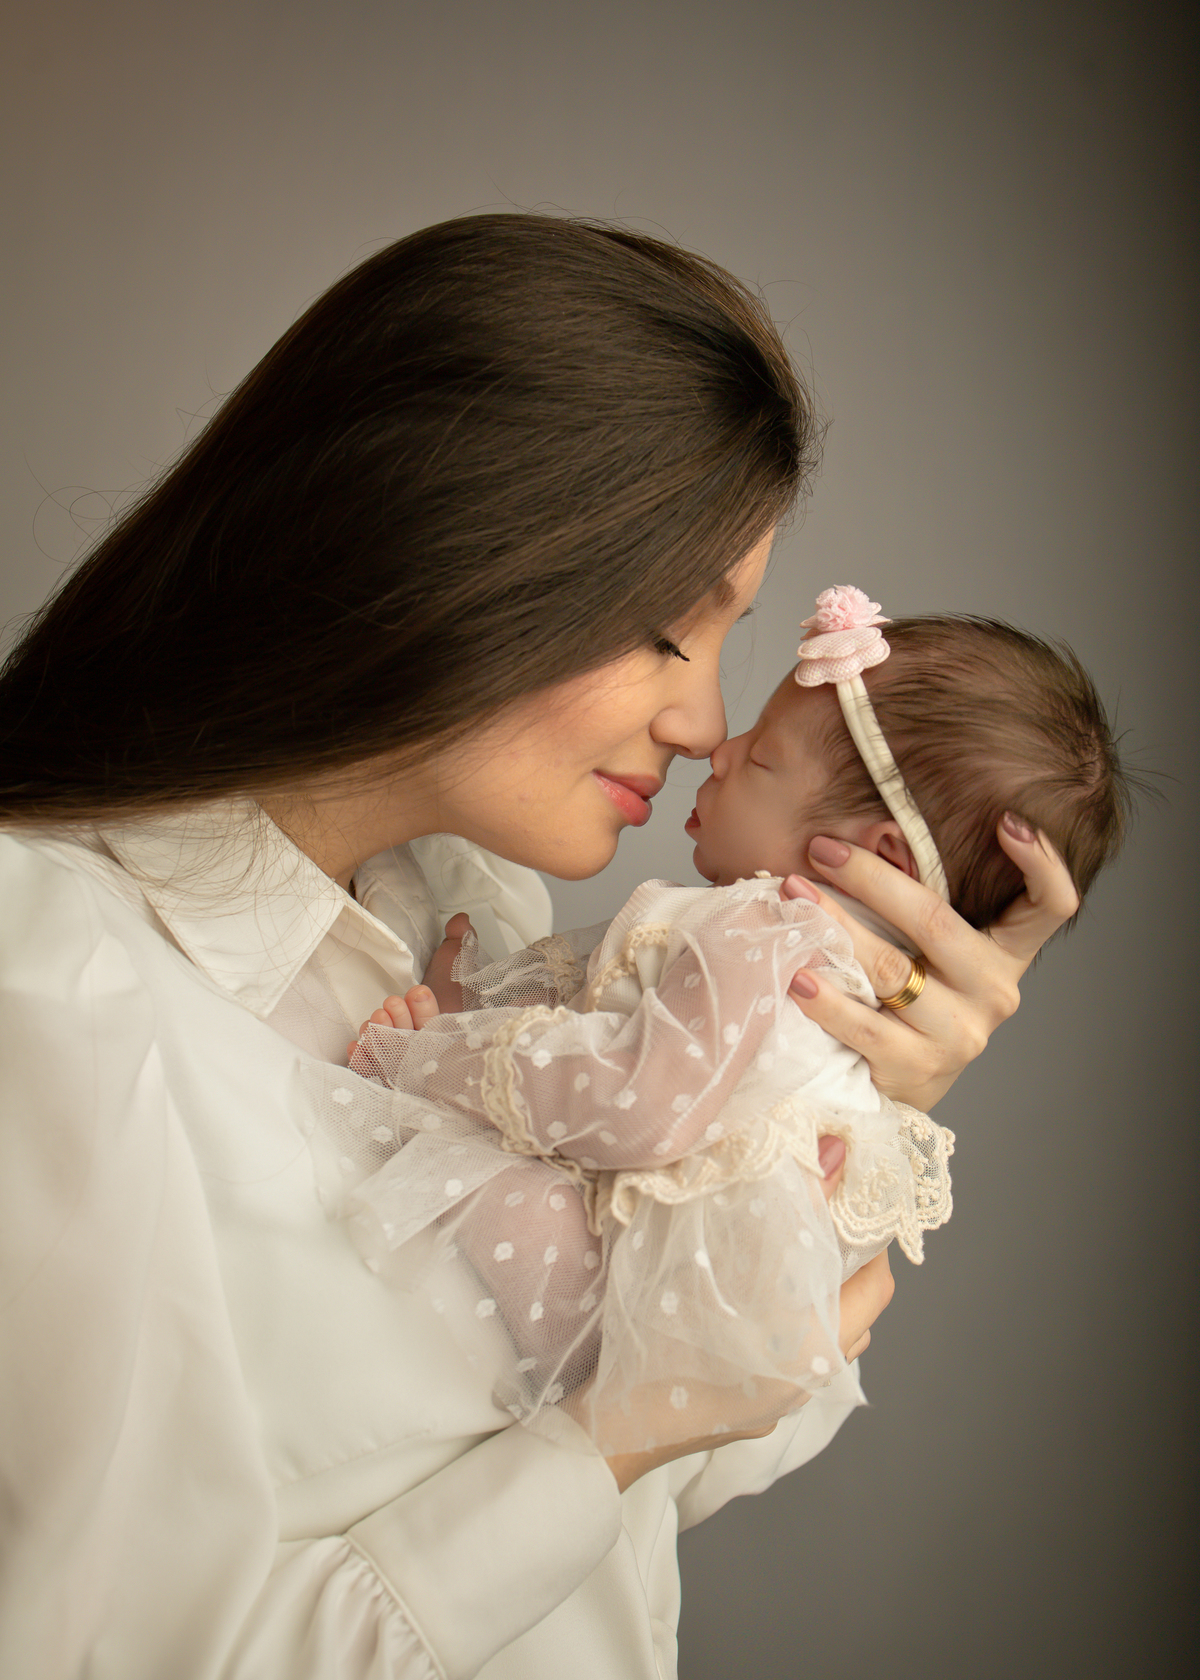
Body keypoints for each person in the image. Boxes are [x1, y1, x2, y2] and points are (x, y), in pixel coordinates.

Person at [0, 215, 1080, 1680]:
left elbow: (707, 1455)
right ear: (444, 538)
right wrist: (602, 1445)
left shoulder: (480, 924)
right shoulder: (52, 988)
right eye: (669, 631)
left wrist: (841, 1105)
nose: (707, 721)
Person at [328, 594, 1128, 1456]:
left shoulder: (765, 928)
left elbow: (637, 1101)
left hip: (598, 1294)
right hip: (677, 1340)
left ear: (876, 857)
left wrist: (420, 1057)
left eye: (764, 756)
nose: (718, 747)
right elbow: (600, 1022)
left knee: (421, 1161)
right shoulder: (849, 1003)